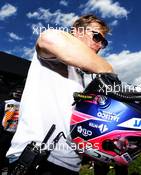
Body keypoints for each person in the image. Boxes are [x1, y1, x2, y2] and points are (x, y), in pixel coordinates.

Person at [6, 14, 113, 175]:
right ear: (77, 31)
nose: (99, 45)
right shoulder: (54, 56)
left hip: (69, 165)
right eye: (96, 37)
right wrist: (109, 71)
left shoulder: (81, 76)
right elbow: (48, 39)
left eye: (103, 42)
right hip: (39, 160)